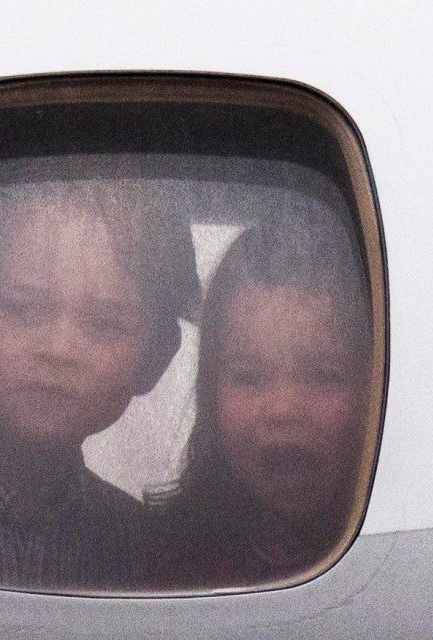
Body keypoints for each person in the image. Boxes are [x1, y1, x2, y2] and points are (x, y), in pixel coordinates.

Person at [0, 179, 199, 594]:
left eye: (105, 323)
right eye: (23, 308)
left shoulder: (143, 551)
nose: (60, 350)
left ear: (156, 358)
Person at [152, 223, 371, 591]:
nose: (283, 410)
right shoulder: (157, 557)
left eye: (323, 376)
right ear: (209, 392)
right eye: (248, 377)